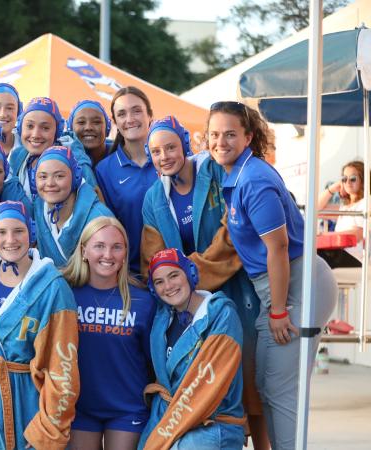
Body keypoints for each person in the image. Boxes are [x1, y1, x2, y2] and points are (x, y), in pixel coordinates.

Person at [208, 101, 338, 449]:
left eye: (231, 134)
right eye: (215, 134)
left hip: (296, 285)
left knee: (280, 393)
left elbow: (278, 249)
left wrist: (278, 310)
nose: (221, 142)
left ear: (248, 137)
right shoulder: (235, 173)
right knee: (267, 387)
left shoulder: (254, 180)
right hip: (280, 285)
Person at [140, 116, 267, 448]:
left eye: (170, 147)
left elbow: (234, 229)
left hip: (236, 290)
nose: (165, 155)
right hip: (184, 301)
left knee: (251, 384)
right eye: (155, 151)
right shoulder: (154, 196)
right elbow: (153, 254)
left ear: (185, 143)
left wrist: (192, 271)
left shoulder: (213, 172)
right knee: (193, 378)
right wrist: (179, 281)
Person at [0, 200, 79, 450]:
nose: (10, 239)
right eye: (2, 232)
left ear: (31, 232)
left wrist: (48, 430)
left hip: (24, 401)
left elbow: (62, 369)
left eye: (18, 231)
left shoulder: (53, 288)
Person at [62, 217, 154, 450]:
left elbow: (152, 360)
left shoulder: (143, 300)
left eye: (117, 247)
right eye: (99, 246)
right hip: (80, 406)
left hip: (128, 406)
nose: (108, 254)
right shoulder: (65, 294)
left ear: (125, 254)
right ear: (84, 251)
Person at [139, 248, 246, 450]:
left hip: (212, 423)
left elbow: (206, 388)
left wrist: (162, 438)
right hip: (170, 416)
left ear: (190, 274)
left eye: (174, 275)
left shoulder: (222, 316)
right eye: (159, 282)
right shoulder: (162, 320)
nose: (168, 286)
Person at [95, 86, 157, 274]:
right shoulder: (104, 170)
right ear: (115, 122)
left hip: (179, 269)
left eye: (136, 111)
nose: (130, 119)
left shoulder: (171, 159)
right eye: (122, 114)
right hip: (131, 275)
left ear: (150, 115)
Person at [33, 146, 112, 267]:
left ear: (76, 177)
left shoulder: (100, 218)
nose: (49, 183)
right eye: (43, 177)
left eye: (59, 176)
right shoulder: (39, 207)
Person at [9, 97, 96, 201]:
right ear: (20, 128)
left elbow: (94, 198)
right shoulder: (16, 158)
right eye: (30, 126)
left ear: (57, 131)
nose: (36, 135)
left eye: (45, 128)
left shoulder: (76, 161)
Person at [317, 160, 366, 261]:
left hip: (356, 260)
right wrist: (333, 188)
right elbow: (315, 210)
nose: (347, 182)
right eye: (344, 178)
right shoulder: (344, 207)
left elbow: (359, 234)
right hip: (341, 254)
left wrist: (325, 236)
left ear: (362, 180)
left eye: (353, 178)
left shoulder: (366, 202)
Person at [66, 99, 112, 167]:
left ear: (107, 127)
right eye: (81, 122)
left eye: (96, 122)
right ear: (71, 129)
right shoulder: (61, 162)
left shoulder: (123, 155)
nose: (88, 127)